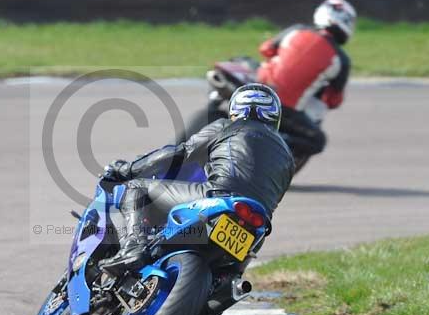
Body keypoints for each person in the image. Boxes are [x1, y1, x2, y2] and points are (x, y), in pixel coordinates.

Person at [99, 83, 295, 273]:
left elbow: (179, 153)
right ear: (274, 116)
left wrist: (127, 169)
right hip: (257, 221)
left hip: (219, 197)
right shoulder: (288, 157)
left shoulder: (225, 126)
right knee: (230, 276)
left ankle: (133, 247)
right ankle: (227, 282)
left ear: (236, 109)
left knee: (136, 188)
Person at [255, 0, 356, 159]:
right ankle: (270, 148)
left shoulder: (297, 30)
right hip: (282, 108)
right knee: (317, 140)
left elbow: (266, 49)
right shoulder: (340, 60)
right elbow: (333, 101)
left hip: (254, 84)